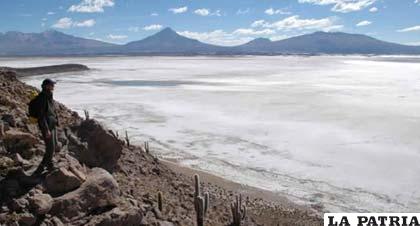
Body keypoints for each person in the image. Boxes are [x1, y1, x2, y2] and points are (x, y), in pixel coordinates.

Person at [34, 78, 59, 174]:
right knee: (50, 147)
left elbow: (52, 110)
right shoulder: (42, 98)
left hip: (52, 124)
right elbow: (41, 115)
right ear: (47, 86)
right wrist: (46, 129)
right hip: (47, 126)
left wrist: (57, 121)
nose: (53, 86)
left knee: (54, 145)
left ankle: (46, 164)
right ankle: (47, 165)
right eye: (52, 84)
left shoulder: (49, 95)